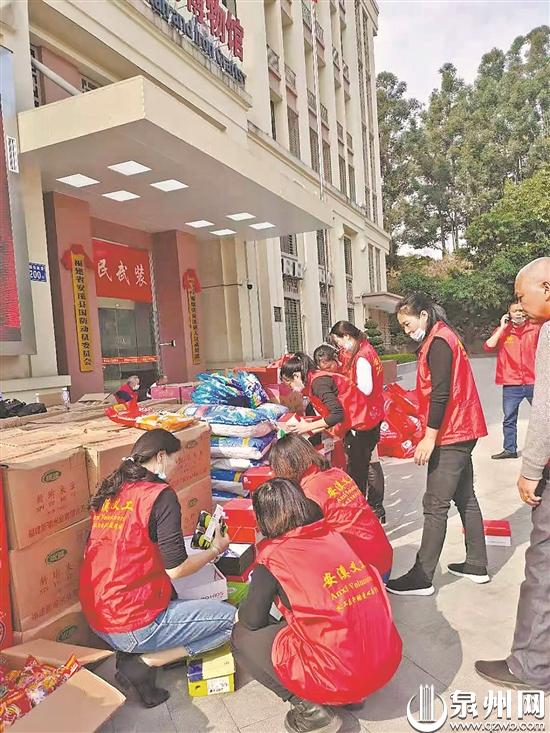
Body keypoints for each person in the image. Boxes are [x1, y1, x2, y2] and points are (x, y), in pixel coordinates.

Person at [79, 429, 236, 707]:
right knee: (234, 621)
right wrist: (215, 550)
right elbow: (176, 569)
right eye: (175, 459)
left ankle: (132, 654)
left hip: (98, 616)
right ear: (161, 456)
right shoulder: (160, 496)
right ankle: (145, 662)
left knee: (175, 595)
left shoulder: (113, 489)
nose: (176, 466)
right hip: (131, 621)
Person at [231, 479, 402, 733]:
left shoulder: (274, 559)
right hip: (384, 662)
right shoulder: (332, 535)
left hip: (342, 674)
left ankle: (311, 711)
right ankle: (353, 696)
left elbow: (251, 620)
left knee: (242, 637)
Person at [476, 257, 550, 691]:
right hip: (511, 385)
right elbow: (491, 346)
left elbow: (546, 411)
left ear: (546, 287)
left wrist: (531, 468)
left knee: (544, 566)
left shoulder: (547, 332)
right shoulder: (515, 330)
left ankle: (530, 667)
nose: (519, 305)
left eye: (522, 296)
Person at [386, 293, 489, 596]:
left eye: (408, 324)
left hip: (451, 432)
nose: (407, 331)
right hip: (462, 428)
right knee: (465, 497)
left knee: (435, 505)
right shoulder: (443, 337)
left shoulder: (439, 342)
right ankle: (476, 564)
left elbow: (441, 393)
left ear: (423, 315)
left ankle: (422, 577)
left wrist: (429, 438)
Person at [269, 434, 392, 580]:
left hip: (364, 574)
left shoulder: (308, 495)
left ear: (287, 467)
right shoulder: (336, 473)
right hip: (383, 557)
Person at [280, 353, 384, 518]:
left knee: (357, 476)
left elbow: (336, 415)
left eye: (289, 382)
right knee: (359, 472)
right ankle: (364, 513)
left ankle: (360, 516)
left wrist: (307, 426)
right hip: (360, 424)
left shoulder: (318, 383)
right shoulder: (315, 380)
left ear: (297, 375)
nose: (290, 388)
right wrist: (311, 430)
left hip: (361, 427)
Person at [313, 343, 387, 523]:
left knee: (370, 463)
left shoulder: (350, 366)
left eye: (330, 366)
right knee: (361, 464)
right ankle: (369, 508)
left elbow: (361, 392)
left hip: (363, 420)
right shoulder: (332, 374)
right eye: (324, 369)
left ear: (335, 360)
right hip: (356, 421)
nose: (328, 371)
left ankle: (375, 507)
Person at [329, 322, 386, 519]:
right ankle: (376, 508)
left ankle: (365, 512)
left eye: (339, 342)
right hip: (373, 414)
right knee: (372, 461)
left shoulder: (362, 357)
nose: (340, 347)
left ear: (346, 336)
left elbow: (365, 388)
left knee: (360, 468)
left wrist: (345, 389)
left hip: (364, 419)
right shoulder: (367, 349)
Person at [483, 302, 541, 460]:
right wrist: (502, 327)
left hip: (533, 381)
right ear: (509, 313)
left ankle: (544, 451)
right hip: (511, 383)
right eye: (515, 311)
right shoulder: (503, 331)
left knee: (544, 417)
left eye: (521, 310)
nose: (519, 313)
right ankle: (510, 449)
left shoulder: (535, 329)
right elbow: (488, 346)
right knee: (509, 418)